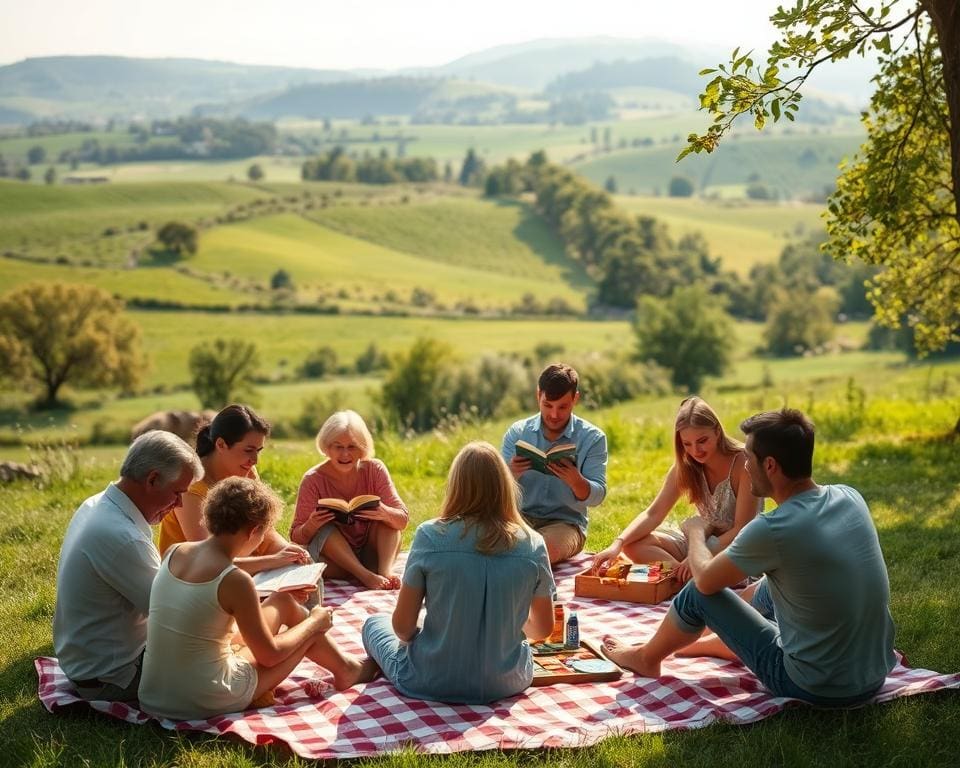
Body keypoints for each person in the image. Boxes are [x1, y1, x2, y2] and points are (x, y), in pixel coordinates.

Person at [603, 408, 897, 706]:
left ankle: (646, 657)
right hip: (873, 676)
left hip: (814, 686)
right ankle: (709, 640)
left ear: (769, 466)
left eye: (750, 458)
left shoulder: (773, 528)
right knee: (770, 587)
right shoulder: (849, 496)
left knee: (696, 594)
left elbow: (704, 582)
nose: (746, 466)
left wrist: (696, 532)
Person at [138, 476, 376, 720]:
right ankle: (347, 670)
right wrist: (315, 621)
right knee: (308, 629)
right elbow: (269, 655)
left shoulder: (175, 551)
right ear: (254, 531)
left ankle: (346, 667)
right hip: (202, 698)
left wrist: (278, 582)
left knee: (282, 600)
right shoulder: (235, 581)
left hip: (154, 695)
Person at [361, 441, 555, 704]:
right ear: (505, 486)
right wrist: (504, 623)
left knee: (373, 623)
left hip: (431, 680)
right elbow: (543, 629)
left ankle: (369, 668)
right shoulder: (533, 543)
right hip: (507, 681)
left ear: (456, 485)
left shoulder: (429, 536)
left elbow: (402, 628)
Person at [53, 430, 202, 702]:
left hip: (89, 663)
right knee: (232, 669)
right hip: (114, 676)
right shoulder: (121, 536)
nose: (179, 503)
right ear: (153, 479)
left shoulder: (99, 504)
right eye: (177, 492)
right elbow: (176, 617)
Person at [593, 396, 762, 582]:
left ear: (717, 431)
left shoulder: (744, 462)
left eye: (702, 440)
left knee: (724, 569)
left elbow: (742, 529)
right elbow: (653, 513)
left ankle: (691, 576)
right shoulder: (686, 465)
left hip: (735, 548)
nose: (696, 451)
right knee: (633, 545)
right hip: (699, 541)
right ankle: (684, 577)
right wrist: (618, 543)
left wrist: (699, 555)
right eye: (687, 444)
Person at [158, 404, 308, 574]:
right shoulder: (190, 488)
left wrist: (291, 554)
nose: (255, 460)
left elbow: (265, 531)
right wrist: (273, 561)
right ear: (221, 444)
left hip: (245, 572)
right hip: (195, 580)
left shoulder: (247, 472)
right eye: (248, 450)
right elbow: (211, 560)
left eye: (258, 450)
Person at [501, 363, 607, 564]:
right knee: (483, 540)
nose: (554, 415)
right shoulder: (517, 433)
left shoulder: (592, 438)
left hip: (566, 524)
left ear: (575, 399)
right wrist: (509, 474)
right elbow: (494, 491)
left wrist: (576, 481)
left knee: (539, 549)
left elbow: (598, 496)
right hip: (518, 518)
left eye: (563, 407)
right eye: (547, 405)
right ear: (538, 395)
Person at [291, 410, 408, 590]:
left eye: (352, 446)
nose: (345, 454)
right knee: (324, 529)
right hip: (335, 560)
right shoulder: (313, 479)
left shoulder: (374, 469)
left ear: (362, 448)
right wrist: (311, 524)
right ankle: (365, 575)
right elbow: (296, 536)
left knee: (388, 521)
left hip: (372, 554)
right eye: (338, 447)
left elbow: (402, 520)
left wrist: (384, 512)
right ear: (327, 447)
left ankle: (385, 573)